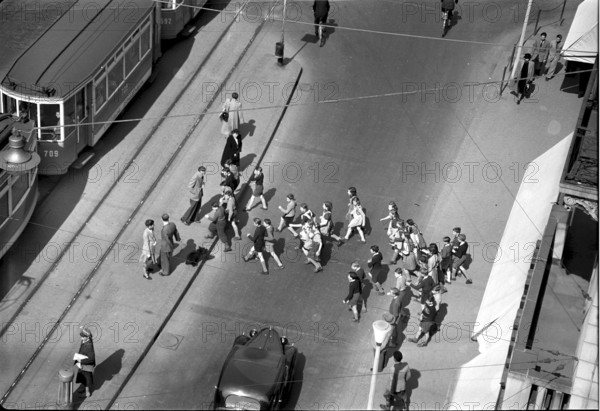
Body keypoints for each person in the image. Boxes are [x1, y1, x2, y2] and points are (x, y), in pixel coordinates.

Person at [74, 327, 96, 398]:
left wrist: (81, 360)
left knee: (86, 379)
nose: (81, 338)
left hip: (86, 365)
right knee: (82, 376)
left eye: (83, 337)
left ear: (87, 337)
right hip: (83, 363)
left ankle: (87, 393)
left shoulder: (89, 345)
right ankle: (83, 387)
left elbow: (91, 358)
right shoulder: (85, 341)